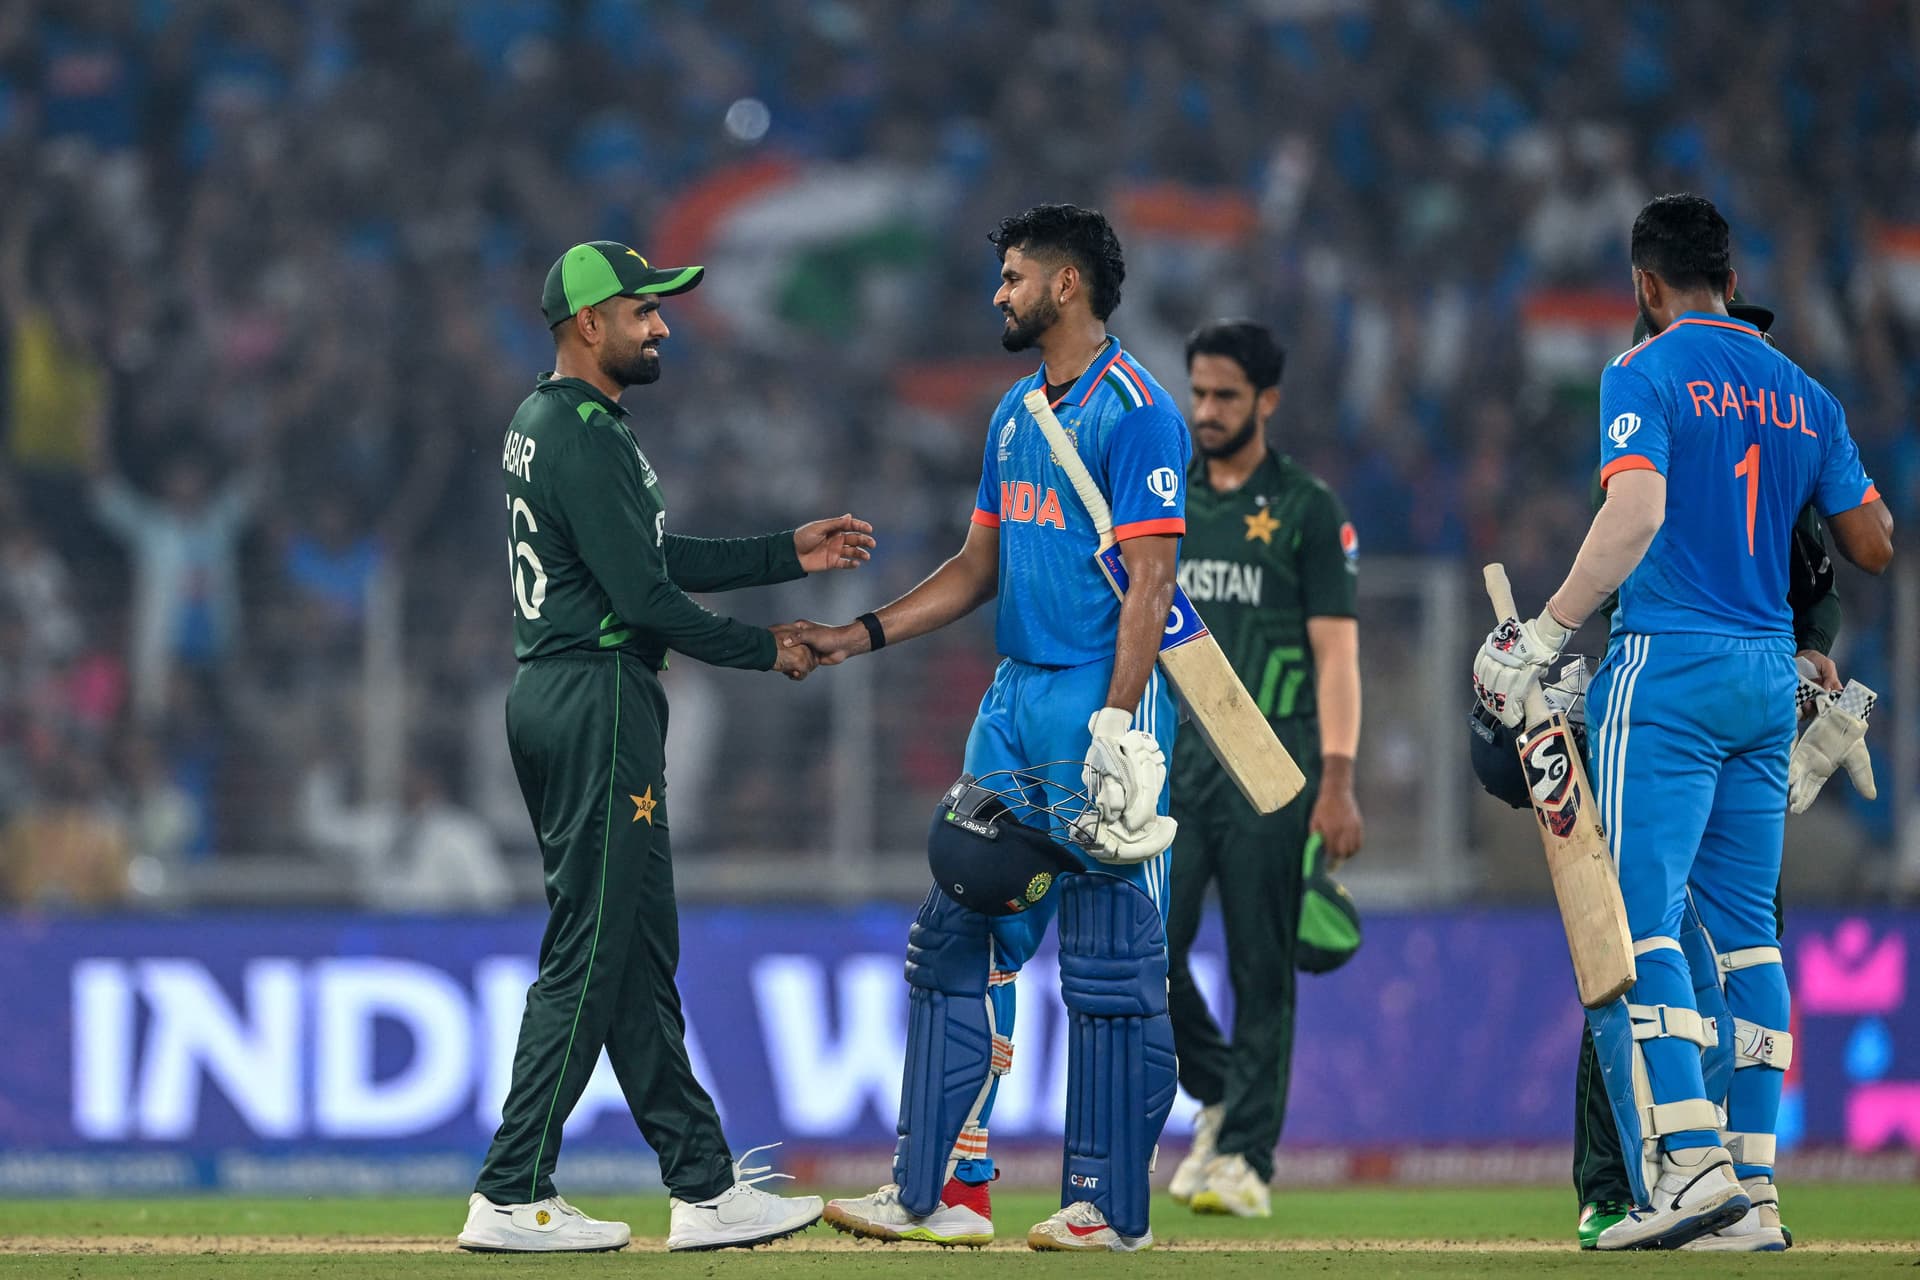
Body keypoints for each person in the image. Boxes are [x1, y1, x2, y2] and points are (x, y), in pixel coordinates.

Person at [1471, 194, 1893, 1251]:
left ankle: (1691, 1165)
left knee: (1643, 915)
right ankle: (1754, 1188)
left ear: (1646, 287)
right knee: (1751, 936)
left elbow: (1638, 512)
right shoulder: (1806, 394)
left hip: (1666, 666)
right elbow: (1875, 540)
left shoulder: (1643, 370)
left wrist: (1544, 634)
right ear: (1735, 283)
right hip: (1766, 675)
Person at [784, 204, 1191, 1252]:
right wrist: (859, 634)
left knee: (1108, 959)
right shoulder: (1015, 412)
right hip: (1012, 702)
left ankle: (1108, 1204)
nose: (997, 294)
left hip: (1099, 699)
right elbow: (978, 567)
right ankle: (942, 1192)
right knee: (954, 934)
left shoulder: (1140, 410)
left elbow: (1152, 581)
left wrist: (1116, 719)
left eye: (1012, 277)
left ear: (1065, 285)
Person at [459, 241, 875, 1254]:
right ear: (587, 322)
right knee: (595, 945)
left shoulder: (546, 421)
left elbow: (642, 557)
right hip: (598, 692)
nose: (662, 325)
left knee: (638, 954)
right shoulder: (586, 433)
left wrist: (785, 551)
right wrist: (767, 648)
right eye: (644, 310)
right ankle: (511, 1190)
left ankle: (703, 1186)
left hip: (566, 689)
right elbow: (644, 596)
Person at [1160, 320, 1364, 1218]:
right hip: (1170, 761)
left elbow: (1337, 657)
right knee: (1142, 954)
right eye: (1197, 394)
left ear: (1266, 402)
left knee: (1260, 966)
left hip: (1272, 763)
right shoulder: (1163, 495)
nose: (1205, 412)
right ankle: (1220, 1095)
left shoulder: (1308, 509)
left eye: (1225, 397)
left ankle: (1246, 1158)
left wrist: (1340, 778)